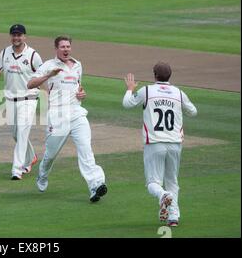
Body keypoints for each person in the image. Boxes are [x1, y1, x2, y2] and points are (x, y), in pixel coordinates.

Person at [27, 35, 107, 202]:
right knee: (50, 154)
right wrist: (49, 75)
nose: (66, 49)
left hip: (77, 113)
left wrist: (81, 94)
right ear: (56, 49)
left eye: (68, 47)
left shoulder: (78, 65)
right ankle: (42, 176)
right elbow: (31, 84)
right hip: (57, 115)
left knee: (86, 150)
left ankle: (95, 185)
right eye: (62, 47)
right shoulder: (49, 65)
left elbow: (79, 87)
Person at [122, 62, 198, 227]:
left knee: (152, 183)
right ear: (170, 75)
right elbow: (193, 111)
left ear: (154, 75)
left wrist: (130, 88)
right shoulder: (179, 93)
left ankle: (163, 195)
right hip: (175, 143)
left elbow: (127, 104)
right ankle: (173, 217)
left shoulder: (147, 91)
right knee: (172, 181)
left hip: (155, 143)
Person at [0, 24, 43, 180]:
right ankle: (31, 157)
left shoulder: (33, 55)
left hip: (29, 99)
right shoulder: (5, 52)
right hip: (10, 99)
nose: (16, 38)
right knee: (16, 134)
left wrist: (51, 94)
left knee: (22, 132)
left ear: (24, 37)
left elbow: (43, 75)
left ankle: (17, 169)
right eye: (14, 35)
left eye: (19, 35)